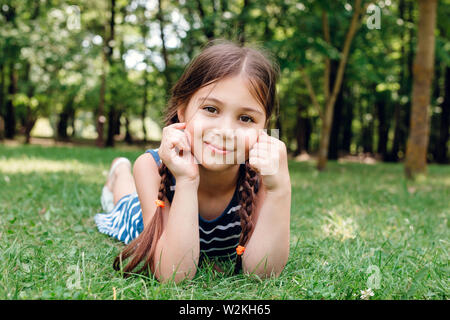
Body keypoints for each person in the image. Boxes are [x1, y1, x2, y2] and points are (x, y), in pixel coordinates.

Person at [94, 39, 291, 283]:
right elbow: (173, 275)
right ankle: (119, 171)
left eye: (245, 118)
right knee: (124, 199)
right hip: (143, 215)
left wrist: (280, 190)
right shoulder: (152, 167)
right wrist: (187, 180)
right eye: (211, 109)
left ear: (265, 127)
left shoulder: (259, 175)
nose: (226, 131)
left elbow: (261, 274)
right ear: (183, 109)